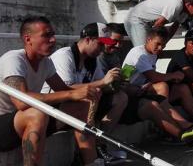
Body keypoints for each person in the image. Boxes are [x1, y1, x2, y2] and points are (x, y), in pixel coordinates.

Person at [0, 16, 101, 165]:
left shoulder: (46, 62)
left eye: (53, 35)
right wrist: (71, 93)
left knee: (82, 105)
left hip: (22, 122)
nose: (53, 40)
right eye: (46, 35)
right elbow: (21, 102)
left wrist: (89, 91)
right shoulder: (13, 60)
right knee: (37, 113)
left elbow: (64, 90)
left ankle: (91, 162)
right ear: (28, 39)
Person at [41, 22, 128, 163]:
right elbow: (64, 90)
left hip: (78, 106)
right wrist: (103, 82)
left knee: (120, 98)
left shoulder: (92, 60)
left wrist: (115, 84)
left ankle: (100, 145)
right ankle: (87, 156)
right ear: (88, 39)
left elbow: (101, 85)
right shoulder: (65, 55)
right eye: (100, 44)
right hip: (54, 108)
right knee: (87, 99)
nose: (102, 48)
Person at [121, 27, 193, 142]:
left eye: (163, 45)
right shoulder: (138, 53)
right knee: (162, 86)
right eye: (158, 44)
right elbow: (152, 76)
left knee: (182, 88)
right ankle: (173, 128)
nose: (160, 48)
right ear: (148, 40)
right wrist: (174, 75)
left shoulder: (153, 54)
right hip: (131, 92)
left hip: (144, 89)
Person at [124, 0, 193, 46]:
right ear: (188, 4)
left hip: (146, 23)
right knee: (142, 52)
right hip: (136, 19)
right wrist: (157, 44)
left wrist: (164, 43)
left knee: (149, 54)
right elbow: (158, 25)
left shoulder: (184, 13)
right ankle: (126, 72)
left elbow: (173, 28)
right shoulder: (176, 4)